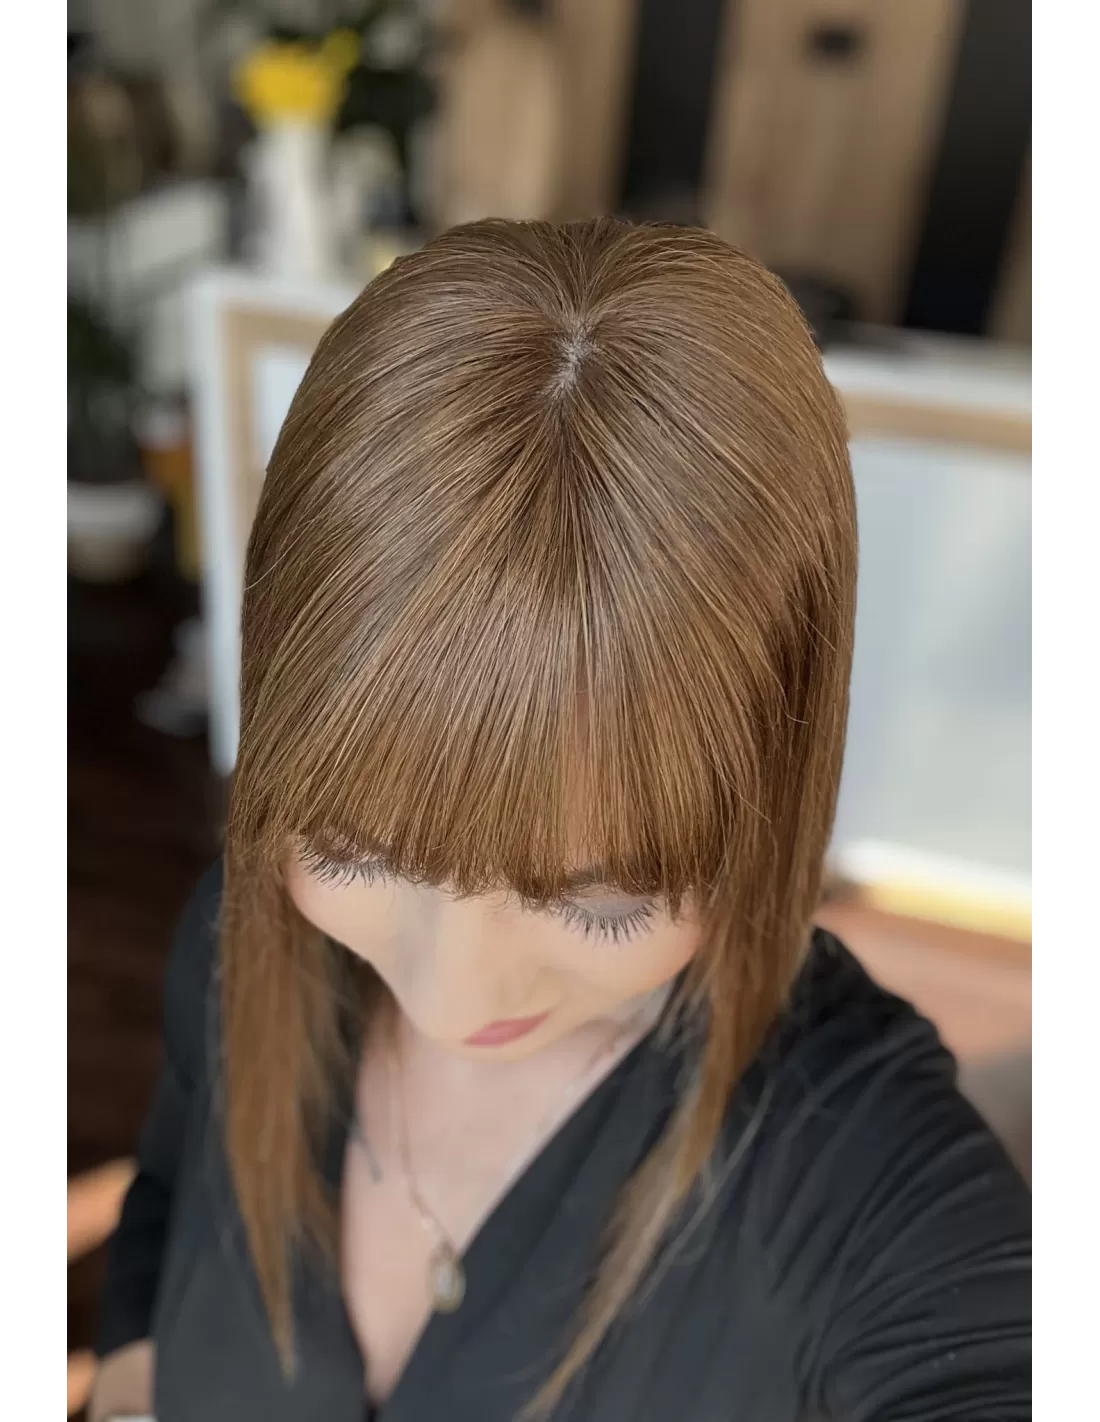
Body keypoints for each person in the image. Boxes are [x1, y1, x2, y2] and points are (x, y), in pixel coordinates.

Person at [90, 219, 1030, 1422]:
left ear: (770, 791)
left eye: (600, 900)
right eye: (355, 847)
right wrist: (133, 1369)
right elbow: (172, 1186)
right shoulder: (240, 938)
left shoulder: (856, 1172)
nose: (452, 1000)